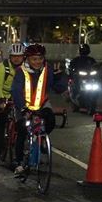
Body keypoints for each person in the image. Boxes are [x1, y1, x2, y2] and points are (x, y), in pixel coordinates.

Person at [11, 44, 66, 175]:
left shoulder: (48, 69)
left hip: (42, 103)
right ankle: (19, 162)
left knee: (51, 120)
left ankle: (41, 139)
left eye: (40, 58)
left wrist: (61, 77)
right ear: (27, 59)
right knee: (22, 130)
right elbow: (16, 91)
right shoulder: (20, 71)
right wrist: (23, 108)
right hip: (24, 105)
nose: (37, 62)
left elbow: (57, 88)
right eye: (34, 59)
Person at [0, 43, 25, 160]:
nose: (16, 59)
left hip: (19, 97)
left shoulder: (25, 67)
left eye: (19, 56)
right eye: (14, 56)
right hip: (4, 95)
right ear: (10, 56)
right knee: (1, 122)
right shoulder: (3, 67)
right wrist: (1, 100)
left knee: (22, 123)